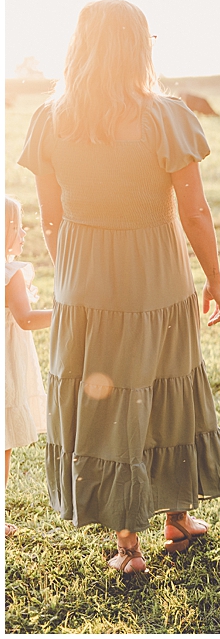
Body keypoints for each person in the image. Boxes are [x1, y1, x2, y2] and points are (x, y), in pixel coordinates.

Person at [18, 0, 220, 577]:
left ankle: (126, 547)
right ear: (140, 47)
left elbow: (50, 220)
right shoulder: (167, 116)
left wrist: (74, 282)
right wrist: (213, 279)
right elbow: (196, 213)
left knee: (107, 397)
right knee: (166, 386)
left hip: (84, 281)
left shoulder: (50, 118)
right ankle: (177, 519)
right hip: (155, 277)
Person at [5, 197, 51, 540]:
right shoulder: (10, 273)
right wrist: (70, 314)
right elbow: (26, 318)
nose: (23, 232)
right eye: (17, 225)